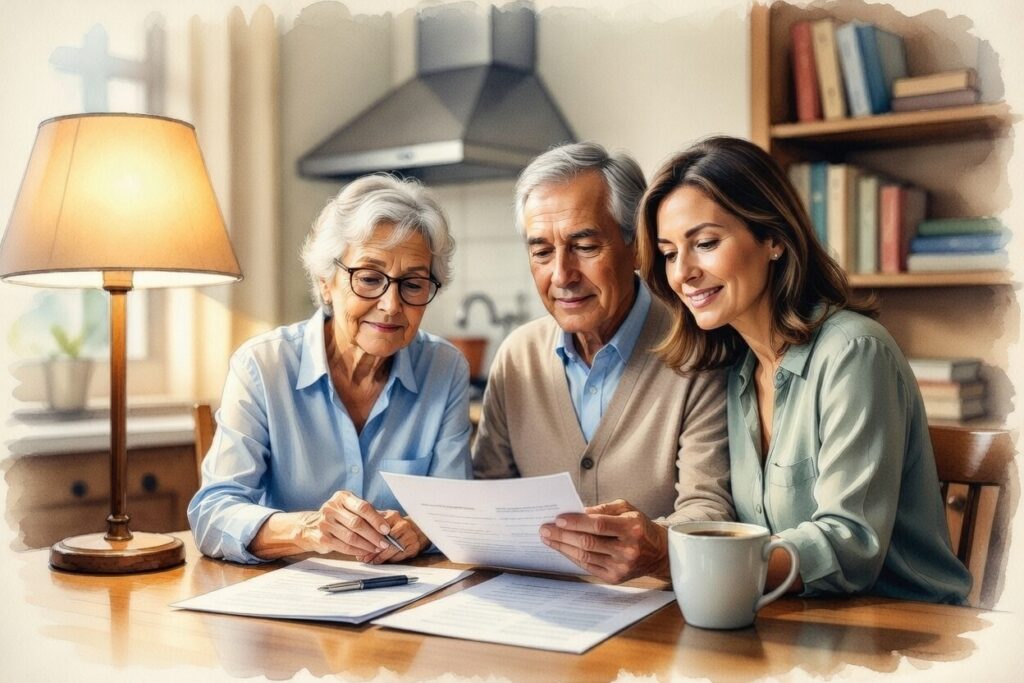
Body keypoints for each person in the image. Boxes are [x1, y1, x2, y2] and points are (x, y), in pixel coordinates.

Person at [636, 135, 971, 603]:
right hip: (795, 624)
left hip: (901, 631)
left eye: (706, 243)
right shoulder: (736, 373)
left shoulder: (854, 353)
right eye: (670, 253)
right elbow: (733, 520)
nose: (682, 273)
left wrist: (672, 556)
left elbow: (848, 546)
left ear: (773, 239)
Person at [473, 142, 734, 584]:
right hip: (539, 607)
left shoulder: (696, 347)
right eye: (541, 252)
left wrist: (653, 546)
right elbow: (489, 492)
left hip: (658, 611)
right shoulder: (517, 356)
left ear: (637, 246)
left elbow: (708, 508)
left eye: (585, 245)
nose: (561, 275)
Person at [189, 174, 472, 565]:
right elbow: (212, 513)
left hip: (405, 598)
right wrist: (308, 530)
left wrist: (421, 528)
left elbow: (459, 509)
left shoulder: (445, 368)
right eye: (370, 278)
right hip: (284, 601)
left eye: (413, 284)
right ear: (326, 283)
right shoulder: (263, 366)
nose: (391, 304)